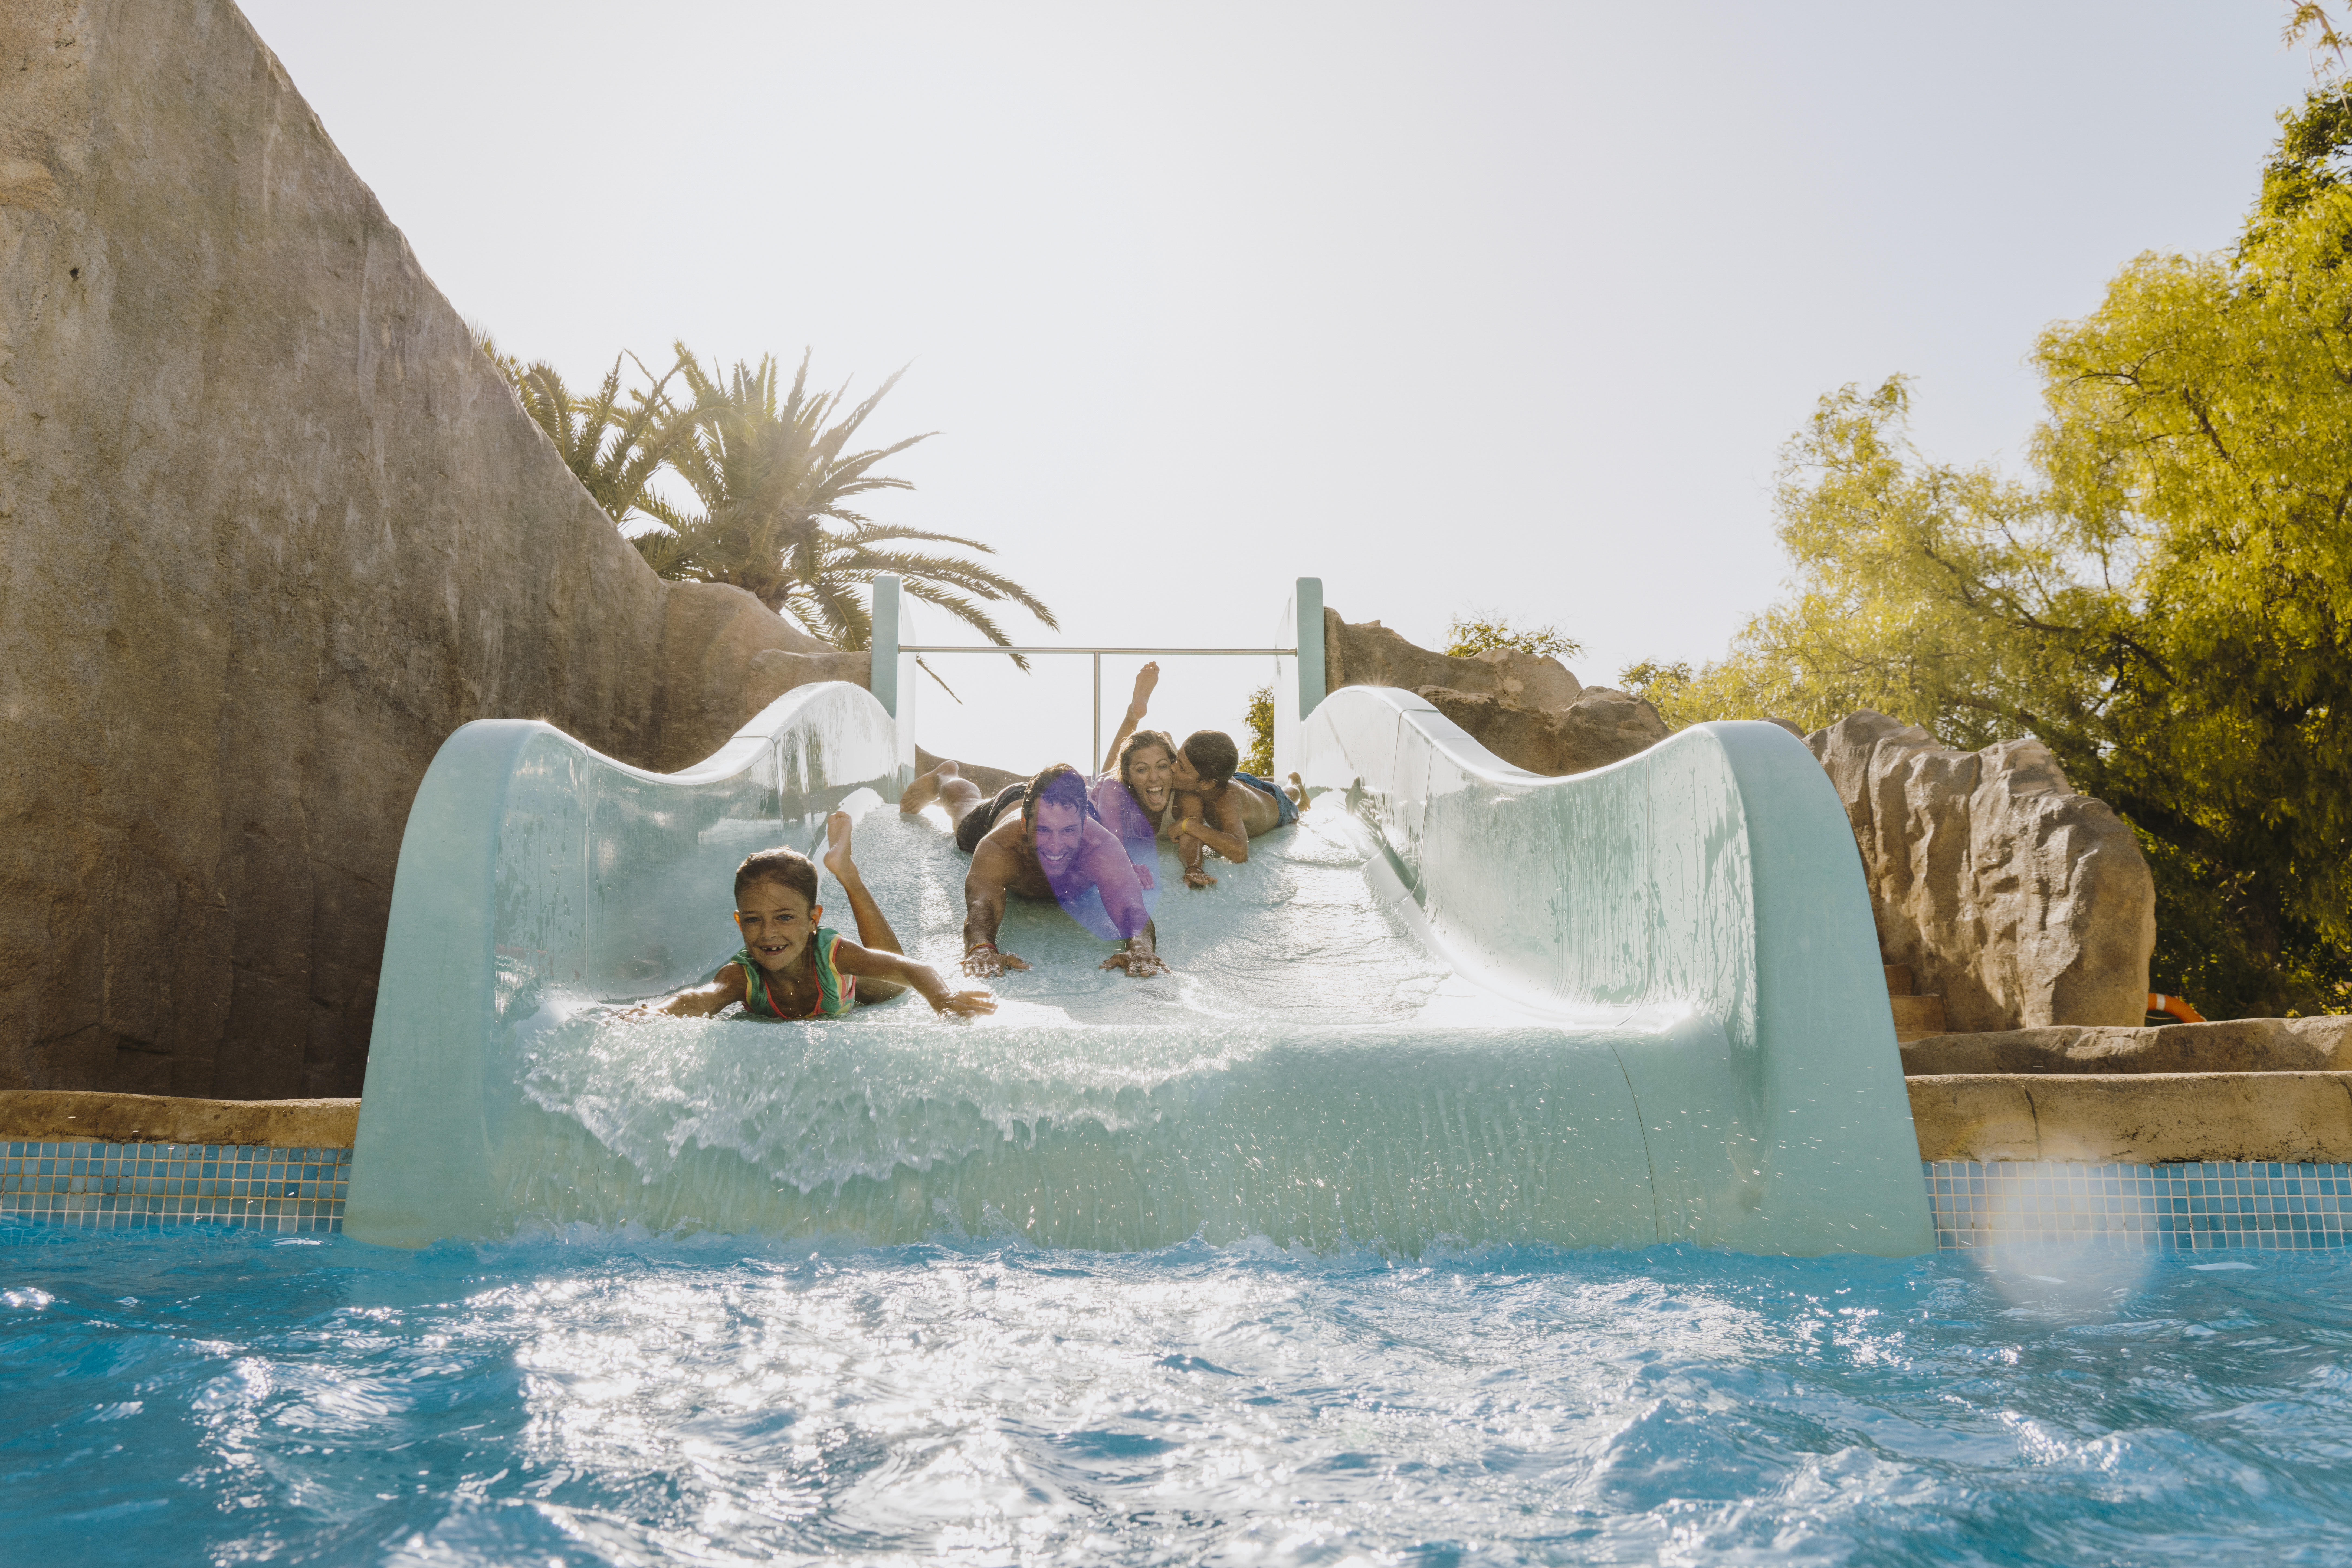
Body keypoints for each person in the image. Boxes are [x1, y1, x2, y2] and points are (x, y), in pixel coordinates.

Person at [635, 812, 997, 1019]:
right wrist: (655, 1012)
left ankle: (847, 874)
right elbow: (700, 998)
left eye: (784, 918)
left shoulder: (832, 953)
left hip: (855, 990)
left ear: (813, 920)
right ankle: (841, 872)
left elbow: (913, 969)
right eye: (752, 919)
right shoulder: (740, 976)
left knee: (889, 986)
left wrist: (943, 997)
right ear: (738, 921)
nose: (767, 934)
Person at [902, 760, 1169, 978]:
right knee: (963, 809)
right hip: (1009, 804)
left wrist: (1141, 947)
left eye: (1068, 832)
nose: (1055, 846)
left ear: (1084, 824)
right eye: (1043, 830)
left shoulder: (1101, 846)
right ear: (1024, 822)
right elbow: (981, 904)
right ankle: (946, 777)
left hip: (1064, 803)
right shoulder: (999, 844)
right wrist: (982, 948)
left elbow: (1131, 907)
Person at [1167, 729, 1300, 887]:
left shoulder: (1226, 802)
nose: (1173, 768)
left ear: (1207, 784)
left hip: (1277, 802)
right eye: (1177, 759)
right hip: (1236, 778)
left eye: (1181, 768)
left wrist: (1188, 825)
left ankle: (1295, 783)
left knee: (1290, 794)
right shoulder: (1206, 780)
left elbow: (1240, 852)